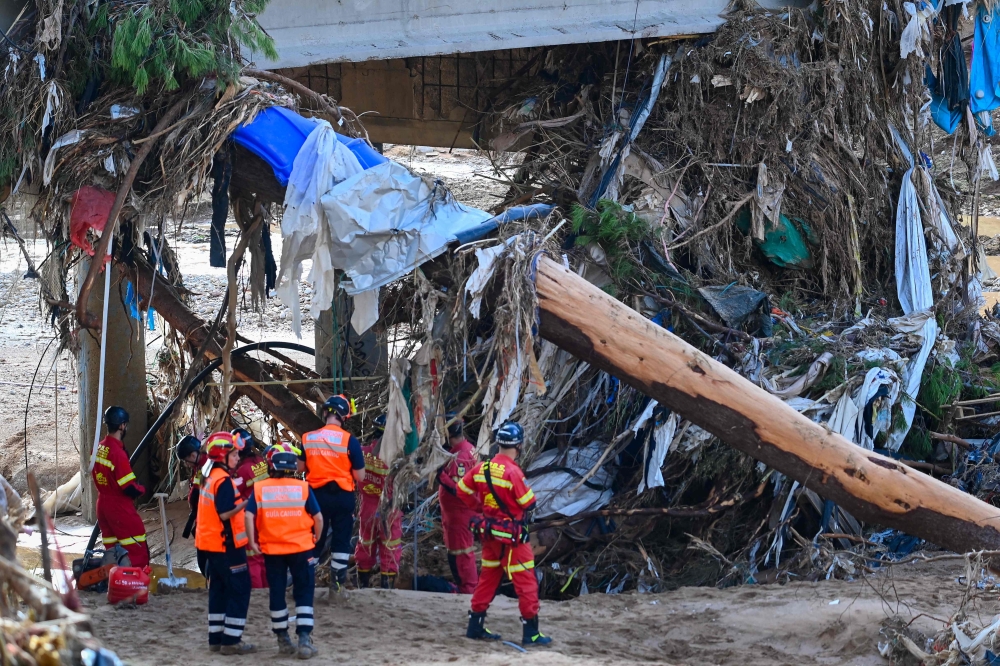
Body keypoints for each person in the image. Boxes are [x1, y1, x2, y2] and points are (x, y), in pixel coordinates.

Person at [458, 421, 552, 647]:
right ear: (518, 446)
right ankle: (531, 633)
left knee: (488, 579)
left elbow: (462, 489)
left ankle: (475, 626)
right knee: (526, 583)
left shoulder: (483, 468)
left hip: (490, 535)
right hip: (513, 540)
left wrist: (480, 507)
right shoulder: (513, 472)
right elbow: (528, 503)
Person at [245, 443, 323, 659]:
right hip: (302, 548)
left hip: (272, 550)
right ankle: (305, 639)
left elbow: (248, 516)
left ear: (272, 466)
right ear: (293, 469)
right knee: (304, 591)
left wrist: (252, 541)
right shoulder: (303, 488)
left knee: (277, 593)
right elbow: (318, 518)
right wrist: (316, 536)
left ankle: (282, 639)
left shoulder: (260, 488)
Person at [299, 394, 365, 597]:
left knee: (313, 540)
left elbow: (300, 466)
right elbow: (360, 476)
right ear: (344, 416)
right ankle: (336, 586)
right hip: (342, 498)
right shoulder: (349, 441)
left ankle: (305, 583)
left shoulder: (308, 438)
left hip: (315, 497)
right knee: (341, 541)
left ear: (325, 412)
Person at [195, 431, 255, 655]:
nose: (238, 457)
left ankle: (216, 638)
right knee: (240, 589)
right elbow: (225, 513)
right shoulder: (223, 481)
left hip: (210, 545)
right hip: (226, 545)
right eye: (235, 454)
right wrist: (247, 503)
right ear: (223, 455)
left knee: (218, 590)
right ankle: (231, 640)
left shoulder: (209, 476)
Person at [92, 406, 149, 568]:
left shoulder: (97, 448)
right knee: (136, 547)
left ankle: (115, 582)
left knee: (112, 549)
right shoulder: (117, 453)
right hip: (119, 506)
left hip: (102, 503)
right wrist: (141, 489)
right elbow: (128, 487)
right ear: (122, 426)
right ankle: (135, 585)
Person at [354, 414, 402, 589]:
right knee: (390, 547)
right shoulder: (396, 457)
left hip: (367, 507)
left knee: (365, 544)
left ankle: (363, 585)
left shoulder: (361, 452)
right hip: (389, 509)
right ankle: (386, 588)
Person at [436, 413, 480, 594]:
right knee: (459, 552)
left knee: (462, 553)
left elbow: (458, 489)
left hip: (460, 515)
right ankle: (466, 587)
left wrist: (440, 475)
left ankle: (468, 589)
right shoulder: (467, 449)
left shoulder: (461, 456)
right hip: (457, 515)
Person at [232, 428, 269, 589]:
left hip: (251, 517)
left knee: (252, 558)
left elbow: (233, 493)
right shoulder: (261, 461)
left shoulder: (241, 471)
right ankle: (267, 590)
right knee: (265, 556)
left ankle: (257, 593)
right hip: (267, 514)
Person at [176, 434, 208, 575]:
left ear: (193, 454)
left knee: (205, 558)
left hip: (207, 518)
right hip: (200, 516)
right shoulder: (199, 466)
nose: (186, 464)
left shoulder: (207, 466)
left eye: (186, 459)